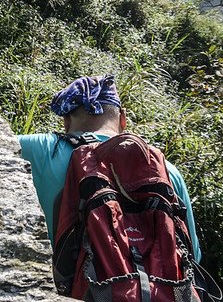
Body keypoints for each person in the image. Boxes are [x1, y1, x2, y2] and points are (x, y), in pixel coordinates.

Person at [17, 74, 202, 263]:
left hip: (76, 288)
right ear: (123, 118)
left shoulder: (45, 150)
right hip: (162, 289)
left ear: (66, 122)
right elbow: (193, 254)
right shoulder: (166, 170)